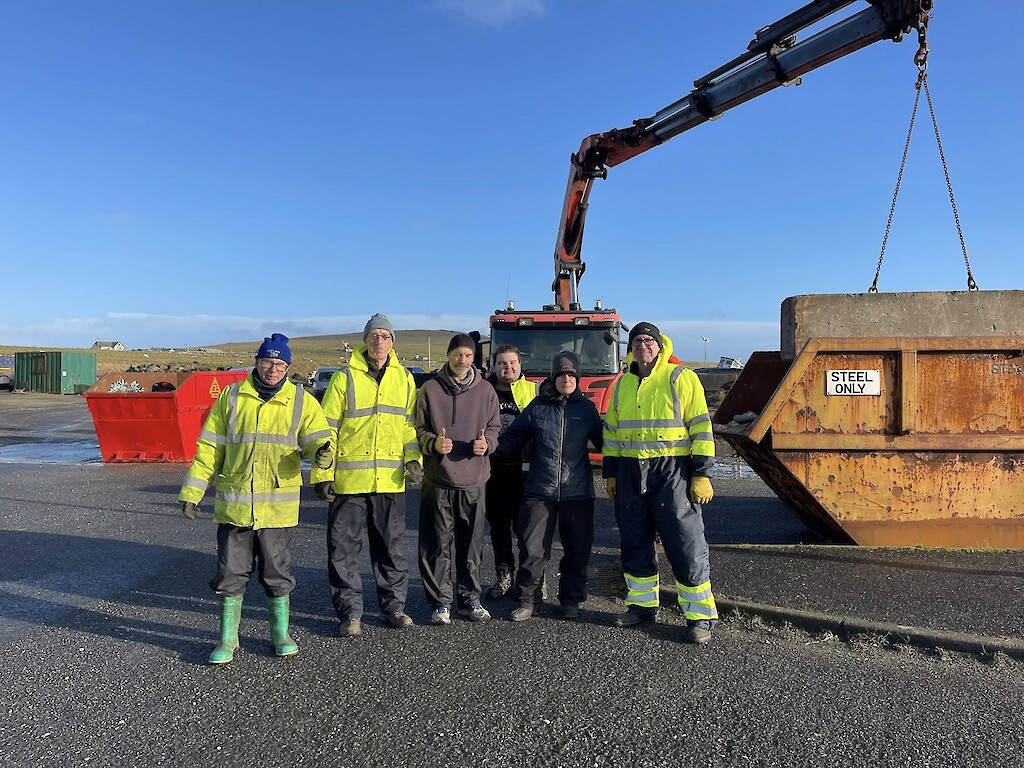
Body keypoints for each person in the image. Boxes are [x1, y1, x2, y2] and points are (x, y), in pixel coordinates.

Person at [179, 333, 333, 664]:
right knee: (231, 573)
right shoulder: (231, 397)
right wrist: (193, 491)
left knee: (276, 573)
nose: (273, 369)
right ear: (257, 362)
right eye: (268, 362)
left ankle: (280, 634)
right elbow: (209, 447)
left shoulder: (302, 401)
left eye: (280, 364)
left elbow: (319, 439)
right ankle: (227, 639)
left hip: (277, 507)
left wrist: (322, 458)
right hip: (235, 506)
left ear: (288, 367)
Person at [602, 322, 718, 645]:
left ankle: (700, 616)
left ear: (659, 344)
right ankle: (641, 605)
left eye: (648, 340)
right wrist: (610, 473)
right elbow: (610, 433)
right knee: (635, 539)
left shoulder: (680, 378)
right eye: (637, 341)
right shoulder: (621, 385)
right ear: (630, 348)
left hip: (673, 472)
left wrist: (702, 473)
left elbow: (701, 427)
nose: (643, 345)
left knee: (685, 541)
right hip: (629, 472)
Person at [311, 314, 423, 638]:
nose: (379, 341)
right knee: (343, 549)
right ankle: (350, 614)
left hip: (389, 481)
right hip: (349, 481)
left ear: (393, 342)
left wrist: (413, 459)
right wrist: (322, 475)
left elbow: (408, 426)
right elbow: (326, 428)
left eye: (385, 336)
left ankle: (393, 608)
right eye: (374, 335)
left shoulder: (404, 380)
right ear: (364, 340)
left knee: (392, 547)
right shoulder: (344, 378)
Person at [497, 351, 603, 621]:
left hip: (578, 492)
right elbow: (513, 438)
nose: (566, 379)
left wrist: (621, 469)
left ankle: (571, 600)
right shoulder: (538, 407)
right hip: (539, 492)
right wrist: (487, 447)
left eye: (571, 374)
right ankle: (528, 601)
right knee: (533, 551)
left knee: (577, 550)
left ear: (577, 378)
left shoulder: (587, 410)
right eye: (561, 374)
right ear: (553, 377)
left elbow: (607, 445)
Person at [416, 333, 501, 625]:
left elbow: (494, 428)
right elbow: (419, 429)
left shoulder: (486, 391)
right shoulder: (429, 389)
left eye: (467, 355)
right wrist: (432, 444)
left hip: (474, 480)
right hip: (438, 481)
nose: (462, 360)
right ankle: (441, 603)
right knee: (437, 544)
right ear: (448, 355)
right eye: (457, 354)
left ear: (474, 357)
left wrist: (486, 444)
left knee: (472, 545)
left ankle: (470, 600)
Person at [483, 344, 537, 600]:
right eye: (503, 363)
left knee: (527, 529)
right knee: (498, 528)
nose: (508, 368)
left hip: (525, 472)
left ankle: (532, 580)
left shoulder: (533, 391)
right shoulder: (483, 391)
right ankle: (504, 576)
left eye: (513, 362)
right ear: (493, 366)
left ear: (520, 364)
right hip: (492, 472)